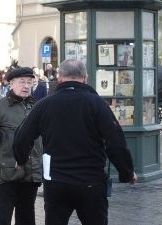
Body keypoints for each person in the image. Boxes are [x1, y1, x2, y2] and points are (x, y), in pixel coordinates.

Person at [13, 60, 137, 225]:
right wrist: (127, 172)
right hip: (91, 182)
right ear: (85, 78)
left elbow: (22, 137)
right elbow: (116, 143)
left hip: (56, 182)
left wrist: (20, 160)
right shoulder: (97, 104)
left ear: (60, 78)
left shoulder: (44, 105)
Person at [0, 67, 42, 225]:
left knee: (26, 217)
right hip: (6, 173)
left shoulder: (37, 106)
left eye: (29, 83)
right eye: (22, 82)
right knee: (0, 218)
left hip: (31, 173)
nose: (26, 86)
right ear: (11, 84)